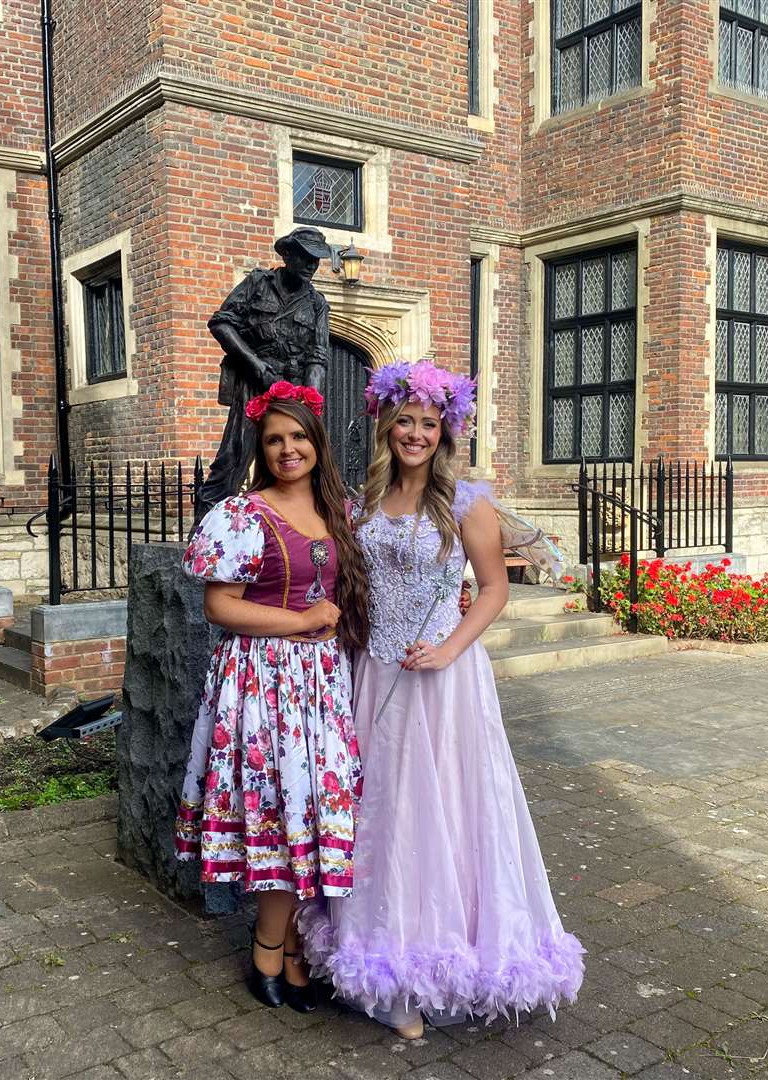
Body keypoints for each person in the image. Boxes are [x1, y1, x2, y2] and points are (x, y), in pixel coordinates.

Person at [300, 360, 586, 1038]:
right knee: (384, 814)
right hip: (371, 676)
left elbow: (493, 589)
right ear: (386, 426)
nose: (416, 434)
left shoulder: (466, 503)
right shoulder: (360, 501)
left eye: (429, 423)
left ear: (445, 431)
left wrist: (450, 648)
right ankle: (387, 967)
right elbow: (344, 585)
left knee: (447, 815)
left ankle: (441, 961)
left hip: (445, 682)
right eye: (405, 421)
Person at [175, 380, 370, 1013]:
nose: (288, 449)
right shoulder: (243, 513)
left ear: (317, 442)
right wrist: (305, 620)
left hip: (322, 682)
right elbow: (218, 605)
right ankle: (270, 946)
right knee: (277, 809)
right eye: (274, 440)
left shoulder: (341, 509)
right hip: (261, 682)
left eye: (298, 437)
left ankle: (290, 945)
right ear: (262, 448)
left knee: (313, 812)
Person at [197, 227, 337, 511]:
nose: (312, 265)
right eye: (306, 257)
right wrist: (256, 365)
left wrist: (309, 403)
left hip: (294, 385)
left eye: (317, 260)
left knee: (297, 454)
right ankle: (208, 521)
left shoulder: (317, 304)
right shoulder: (258, 283)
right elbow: (221, 323)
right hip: (255, 380)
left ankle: (297, 517)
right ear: (287, 255)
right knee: (235, 453)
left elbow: (317, 356)